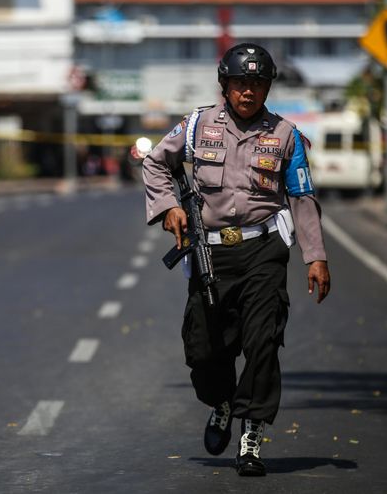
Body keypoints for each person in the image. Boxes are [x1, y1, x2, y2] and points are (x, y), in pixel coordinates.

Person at [142, 43, 331, 476]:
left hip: (263, 249)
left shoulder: (286, 136)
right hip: (211, 252)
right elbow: (155, 164)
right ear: (225, 85)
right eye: (241, 83)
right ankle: (222, 403)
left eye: (258, 83)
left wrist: (315, 256)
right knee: (205, 350)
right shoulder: (195, 125)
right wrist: (169, 206)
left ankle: (251, 434)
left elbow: (301, 196)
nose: (249, 91)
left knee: (263, 339)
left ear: (268, 88)